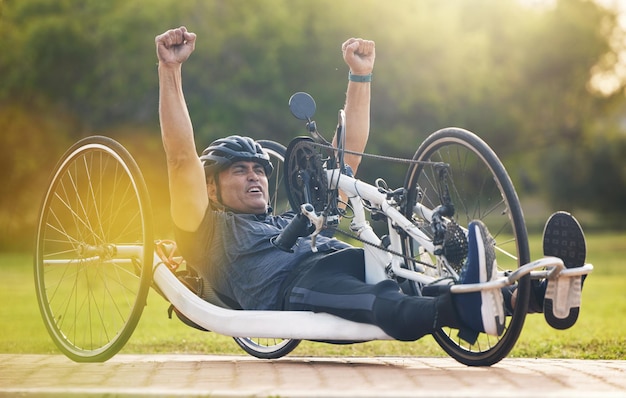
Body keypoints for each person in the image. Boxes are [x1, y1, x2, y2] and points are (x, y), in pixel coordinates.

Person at [155, 26, 587, 342]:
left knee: (411, 279)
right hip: (294, 287)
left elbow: (348, 161)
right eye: (239, 170)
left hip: (349, 260)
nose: (255, 176)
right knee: (382, 298)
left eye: (259, 170)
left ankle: (538, 292)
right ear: (211, 189)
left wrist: (360, 78)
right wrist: (170, 70)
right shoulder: (206, 231)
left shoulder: (293, 218)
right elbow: (179, 159)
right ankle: (469, 304)